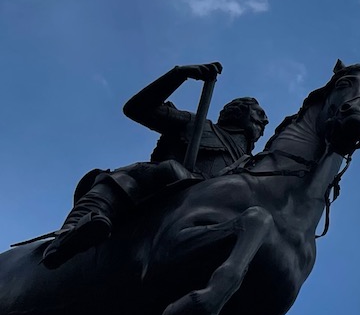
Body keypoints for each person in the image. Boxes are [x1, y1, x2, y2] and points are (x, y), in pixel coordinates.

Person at [41, 62, 268, 269]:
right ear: (238, 112)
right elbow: (137, 109)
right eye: (259, 114)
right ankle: (70, 233)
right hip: (161, 189)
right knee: (130, 177)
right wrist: (178, 75)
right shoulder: (195, 123)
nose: (265, 121)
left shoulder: (249, 165)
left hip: (200, 221)